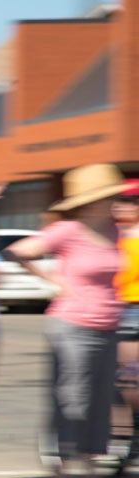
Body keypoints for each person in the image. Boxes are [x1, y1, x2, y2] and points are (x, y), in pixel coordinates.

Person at [5, 163, 130, 478]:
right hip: (72, 327)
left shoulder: (115, 231)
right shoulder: (67, 231)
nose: (115, 202)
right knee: (72, 403)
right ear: (90, 202)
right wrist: (55, 282)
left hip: (108, 326)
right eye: (109, 196)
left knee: (101, 405)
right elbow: (17, 251)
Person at [110, 181, 139, 462]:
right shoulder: (112, 234)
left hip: (134, 309)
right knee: (124, 379)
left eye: (128, 202)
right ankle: (125, 436)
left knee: (129, 377)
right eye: (117, 201)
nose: (120, 207)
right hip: (117, 309)